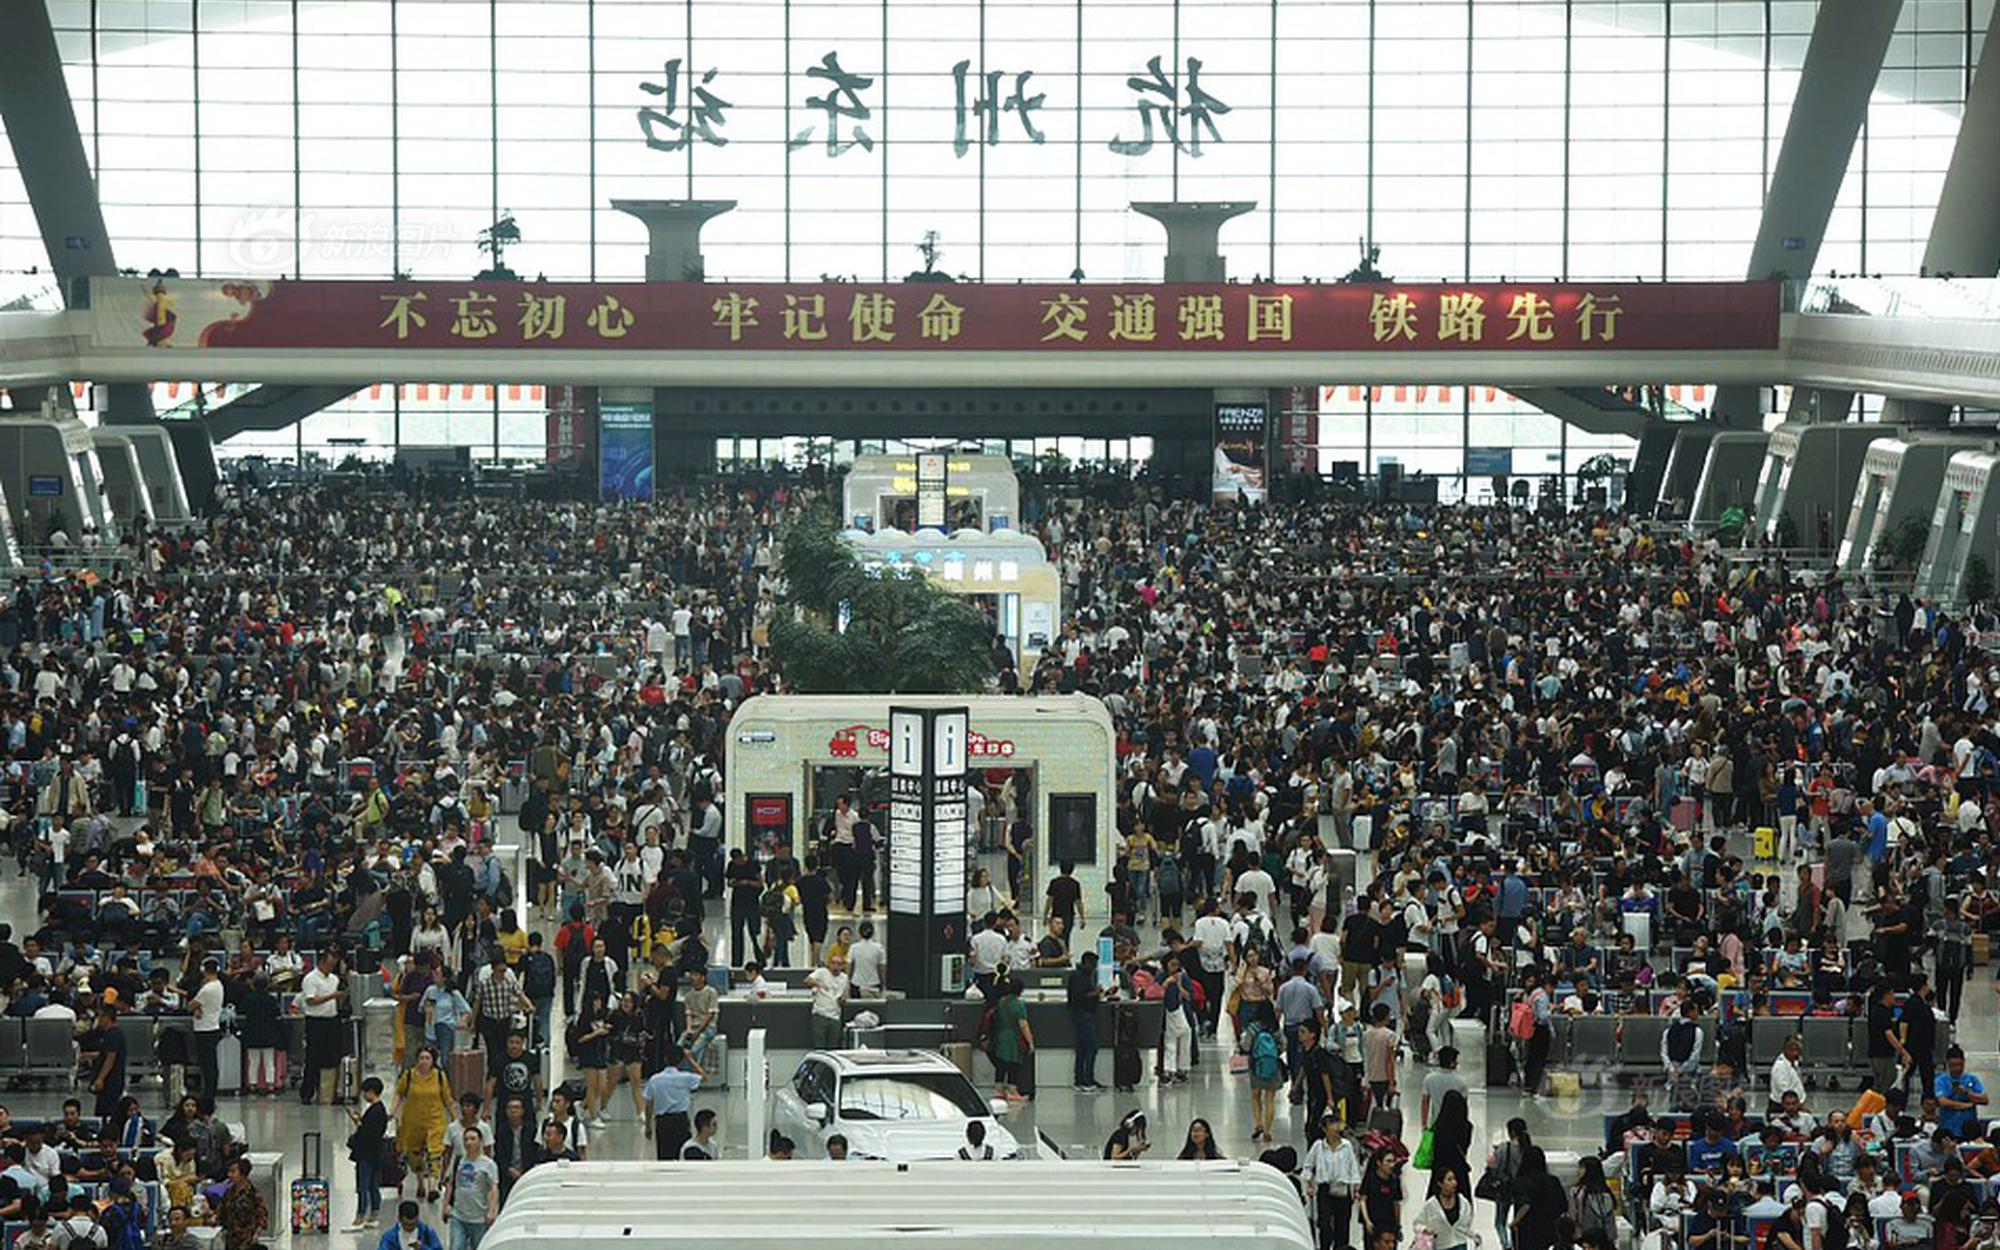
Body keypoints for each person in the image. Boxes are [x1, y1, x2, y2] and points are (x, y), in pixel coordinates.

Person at [1303, 1115, 1362, 1250]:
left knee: (1343, 1227)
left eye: (1337, 1125)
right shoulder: (1318, 1146)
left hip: (1343, 1190)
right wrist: (1310, 1183)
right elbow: (1308, 1166)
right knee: (1325, 1225)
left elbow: (1353, 1167)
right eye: (1332, 1125)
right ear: (1325, 1129)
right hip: (1325, 1190)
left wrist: (1356, 1187)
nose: (1336, 1128)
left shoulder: (1347, 1146)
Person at [642, 1047, 707, 1161]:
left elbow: (649, 1105)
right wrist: (690, 1059)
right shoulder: (686, 1077)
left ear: (665, 1059)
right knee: (683, 1155)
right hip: (680, 1120)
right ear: (681, 1061)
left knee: (664, 1157)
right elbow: (704, 1077)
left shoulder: (654, 1079)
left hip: (662, 1122)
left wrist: (648, 1126)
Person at [346, 1076, 391, 1231]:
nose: (364, 1095)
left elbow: (367, 1134)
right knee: (373, 1185)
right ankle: (373, 1214)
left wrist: (359, 1125)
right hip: (375, 1153)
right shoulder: (379, 1110)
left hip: (366, 1154)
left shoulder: (374, 1111)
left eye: (365, 1092)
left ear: (372, 1091)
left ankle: (360, 1216)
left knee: (363, 1186)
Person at [442, 1127, 497, 1250]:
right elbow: (451, 1184)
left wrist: (491, 1211)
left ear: (480, 1141)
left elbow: (493, 1188)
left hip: (479, 1218)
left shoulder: (489, 1164)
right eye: (466, 1139)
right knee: (456, 1246)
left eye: (472, 1139)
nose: (468, 1142)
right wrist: (445, 1205)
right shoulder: (458, 1161)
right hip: (458, 1215)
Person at [1511, 1146, 1569, 1250]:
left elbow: (1525, 1205)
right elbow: (1563, 1205)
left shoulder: (1521, 1182)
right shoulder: (1553, 1181)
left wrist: (1514, 1222)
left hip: (1527, 1230)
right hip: (1550, 1229)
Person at [991, 977, 1034, 1104]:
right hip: (1013, 1037)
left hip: (1000, 1035)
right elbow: (1023, 1025)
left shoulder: (1001, 1002)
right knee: (1013, 1064)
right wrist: (1030, 1042)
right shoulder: (1019, 1004)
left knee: (1001, 1064)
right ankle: (1012, 1091)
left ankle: (999, 1090)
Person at [1417, 1167, 1478, 1250]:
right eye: (1449, 1180)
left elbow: (1468, 1224)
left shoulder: (1463, 1203)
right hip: (1441, 1246)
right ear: (1440, 1183)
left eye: (1454, 1179)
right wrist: (1425, 1229)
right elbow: (1417, 1224)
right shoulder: (1431, 1204)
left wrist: (1474, 1236)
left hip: (1460, 1244)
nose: (1454, 1183)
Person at [1068, 951, 1104, 1090]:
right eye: (1093, 964)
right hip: (1083, 1015)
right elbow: (1078, 996)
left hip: (1085, 1015)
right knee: (1091, 1047)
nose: (1095, 967)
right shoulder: (1078, 976)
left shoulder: (1086, 976)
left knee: (1082, 1049)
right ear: (1086, 963)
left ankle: (1080, 1080)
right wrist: (1095, 993)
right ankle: (1087, 1080)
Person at [216, 1158, 267, 1250]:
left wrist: (256, 1234)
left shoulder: (253, 1193)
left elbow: (262, 1215)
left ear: (243, 1174)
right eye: (229, 1172)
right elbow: (221, 1211)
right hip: (230, 1239)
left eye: (233, 1172)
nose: (229, 1175)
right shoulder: (229, 1192)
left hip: (246, 1239)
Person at [804, 954, 850, 1050]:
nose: (835, 966)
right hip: (820, 1014)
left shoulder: (844, 978)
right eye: (833, 963)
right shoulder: (822, 972)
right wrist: (819, 984)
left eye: (839, 964)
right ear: (829, 964)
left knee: (833, 1047)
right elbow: (807, 980)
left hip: (835, 1017)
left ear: (842, 966)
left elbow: (845, 994)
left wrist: (843, 999)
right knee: (819, 1046)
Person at [1358, 1147, 1401, 1247]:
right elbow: (1363, 1200)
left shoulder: (1395, 1180)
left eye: (1393, 1161)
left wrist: (1397, 1224)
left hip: (1389, 1222)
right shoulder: (1370, 1178)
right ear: (1379, 1163)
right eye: (1388, 1161)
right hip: (1373, 1221)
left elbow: (1396, 1203)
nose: (1392, 1165)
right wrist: (1367, 1221)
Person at [376, 1200, 445, 1250]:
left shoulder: (427, 1232)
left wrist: (423, 1248)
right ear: (399, 1219)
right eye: (406, 1224)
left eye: (413, 1224)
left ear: (418, 1218)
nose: (410, 1228)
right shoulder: (389, 1237)